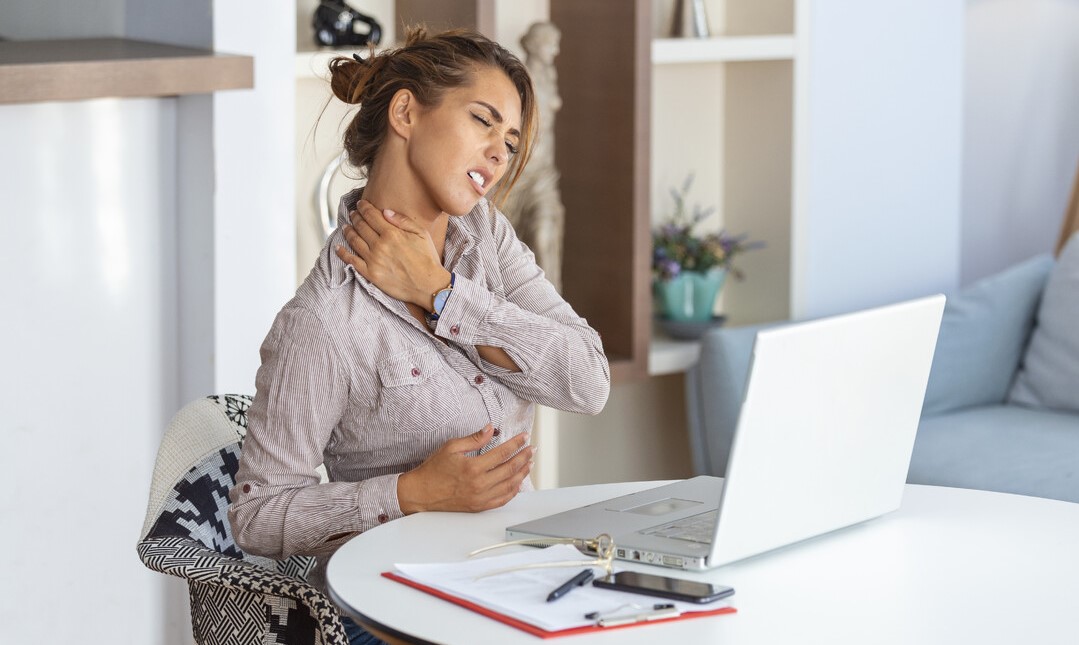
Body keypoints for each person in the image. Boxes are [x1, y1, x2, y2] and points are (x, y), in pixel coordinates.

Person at [227, 27, 611, 645]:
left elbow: (588, 383)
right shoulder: (322, 321)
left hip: (524, 582)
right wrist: (410, 493)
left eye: (509, 143)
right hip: (398, 614)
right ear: (406, 112)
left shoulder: (486, 239)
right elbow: (257, 515)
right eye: (483, 121)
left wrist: (442, 296)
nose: (498, 153)